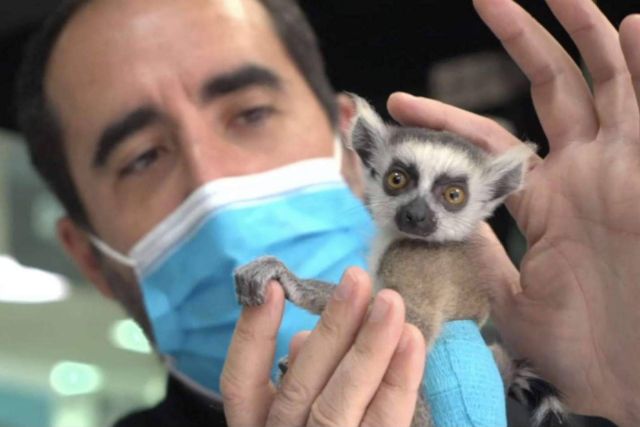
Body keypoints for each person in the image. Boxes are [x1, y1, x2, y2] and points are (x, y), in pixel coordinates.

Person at [15, 0, 640, 427]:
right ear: (90, 260)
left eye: (251, 113)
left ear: (350, 147)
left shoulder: (548, 371)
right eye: (142, 156)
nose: (215, 180)